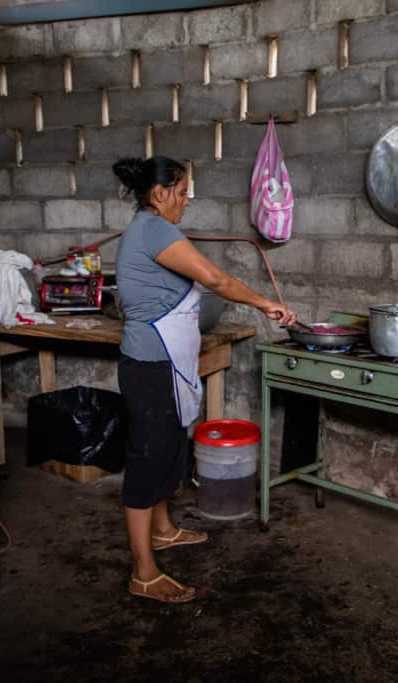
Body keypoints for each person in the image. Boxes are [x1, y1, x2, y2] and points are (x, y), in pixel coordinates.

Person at [112, 156, 296, 603]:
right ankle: (143, 573)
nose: (186, 201)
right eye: (181, 191)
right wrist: (264, 303)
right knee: (147, 461)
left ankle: (162, 530)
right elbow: (214, 278)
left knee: (170, 447)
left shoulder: (152, 228)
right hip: (150, 364)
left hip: (166, 363)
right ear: (159, 194)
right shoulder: (154, 229)